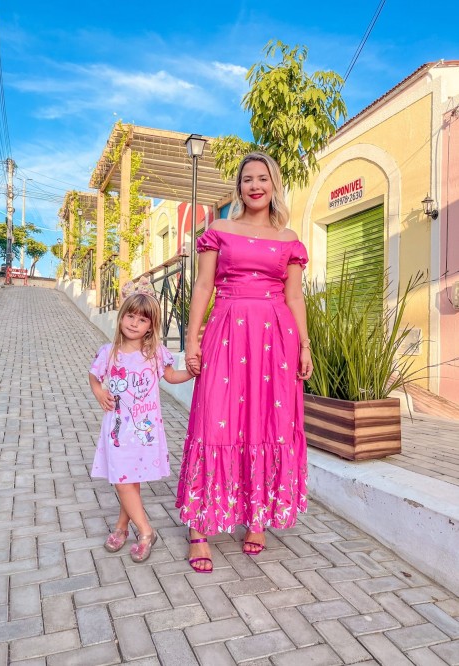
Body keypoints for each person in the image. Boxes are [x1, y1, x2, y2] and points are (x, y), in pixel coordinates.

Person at [176, 152, 313, 573]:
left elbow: (294, 296)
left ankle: (257, 516)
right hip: (227, 329)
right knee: (213, 419)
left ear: (274, 185)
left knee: (266, 422)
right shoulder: (219, 230)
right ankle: (199, 526)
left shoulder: (288, 238)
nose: (255, 186)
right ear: (239, 187)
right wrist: (191, 340)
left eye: (263, 178)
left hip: (275, 338)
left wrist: (305, 345)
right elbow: (203, 286)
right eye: (247, 179)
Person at [89, 278, 192, 563]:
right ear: (121, 317)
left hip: (145, 431)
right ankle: (146, 531)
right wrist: (99, 392)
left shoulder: (154, 353)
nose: (134, 323)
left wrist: (193, 372)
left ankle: (122, 527)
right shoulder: (108, 352)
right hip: (118, 430)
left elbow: (171, 376)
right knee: (123, 481)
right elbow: (94, 376)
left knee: (130, 480)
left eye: (142, 320)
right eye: (130, 316)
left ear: (151, 325)